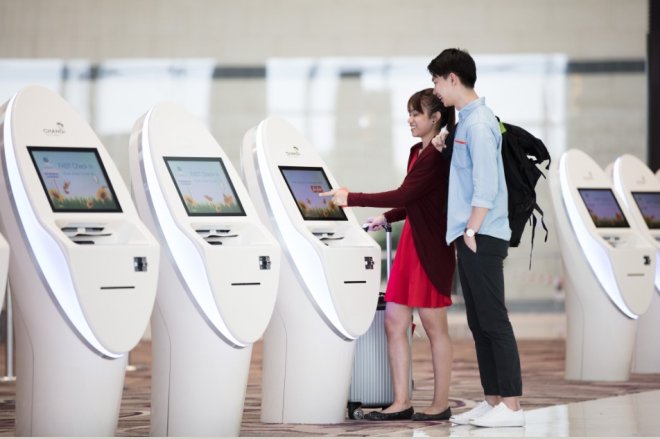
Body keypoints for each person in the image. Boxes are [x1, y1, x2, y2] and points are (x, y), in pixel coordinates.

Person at [320, 88, 456, 421]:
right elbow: (414, 200)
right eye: (409, 113)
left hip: (430, 249)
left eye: (416, 113)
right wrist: (388, 217)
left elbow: (406, 192)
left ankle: (440, 405)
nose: (410, 119)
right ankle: (400, 401)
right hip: (411, 244)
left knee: (434, 327)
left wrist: (352, 198)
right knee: (395, 322)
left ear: (435, 118)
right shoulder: (417, 152)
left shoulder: (437, 156)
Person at [428, 48, 525, 428]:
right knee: (479, 321)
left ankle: (512, 407)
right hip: (470, 234)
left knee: (494, 320)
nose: (435, 89)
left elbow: (485, 184)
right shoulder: (466, 122)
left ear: (453, 78)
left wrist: (471, 229)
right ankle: (493, 400)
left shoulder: (480, 124)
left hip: (480, 233)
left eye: (437, 81)